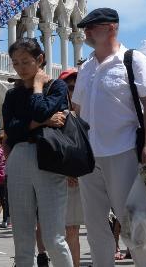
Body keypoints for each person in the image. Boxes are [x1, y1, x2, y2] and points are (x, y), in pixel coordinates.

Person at [72, 8, 146, 267]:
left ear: (111, 28)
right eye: (85, 28)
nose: (86, 32)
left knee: (135, 223)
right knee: (95, 225)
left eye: (92, 27)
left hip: (123, 151)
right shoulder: (86, 67)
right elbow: (77, 110)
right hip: (90, 155)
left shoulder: (132, 60)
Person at [1, 38, 72, 267]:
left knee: (54, 237)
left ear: (40, 59)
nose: (20, 68)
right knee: (22, 239)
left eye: (25, 62)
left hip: (48, 158)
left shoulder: (56, 87)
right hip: (20, 156)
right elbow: (11, 130)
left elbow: (40, 110)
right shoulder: (12, 94)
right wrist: (38, 124)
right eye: (16, 63)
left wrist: (39, 88)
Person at [60, 68, 84, 267]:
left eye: (78, 87)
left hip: (89, 175)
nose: (74, 91)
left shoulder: (90, 111)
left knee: (79, 229)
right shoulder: (58, 114)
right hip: (66, 178)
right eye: (70, 87)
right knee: (68, 229)